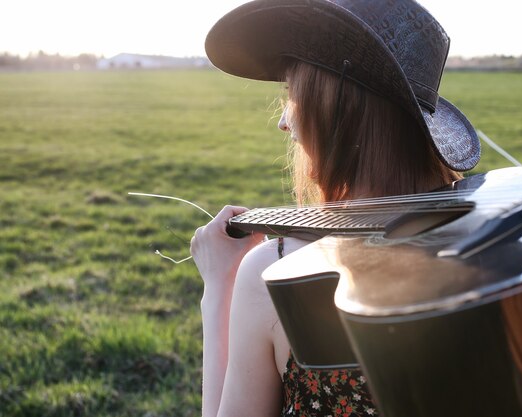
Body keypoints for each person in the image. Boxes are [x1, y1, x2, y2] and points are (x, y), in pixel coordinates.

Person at [191, 0, 480, 415]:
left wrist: (219, 286)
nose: (283, 122)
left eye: (292, 94)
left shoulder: (278, 276)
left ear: (332, 108)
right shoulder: (487, 252)